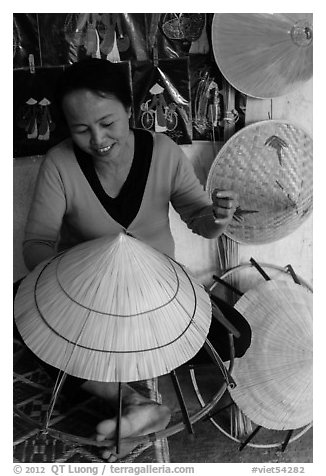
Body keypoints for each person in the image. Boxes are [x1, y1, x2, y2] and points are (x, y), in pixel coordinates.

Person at [14, 58, 249, 461]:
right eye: (81, 129)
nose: (98, 138)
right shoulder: (59, 163)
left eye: (107, 122)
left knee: (236, 337)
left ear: (128, 108)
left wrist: (218, 218)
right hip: (85, 297)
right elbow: (37, 243)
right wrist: (68, 282)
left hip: (159, 293)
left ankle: (130, 373)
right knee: (20, 322)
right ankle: (134, 402)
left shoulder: (164, 152)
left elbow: (199, 218)